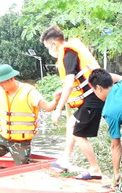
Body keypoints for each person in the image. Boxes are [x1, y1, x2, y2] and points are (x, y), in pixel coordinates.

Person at [40, 25, 104, 180]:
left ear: (54, 44)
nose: (50, 51)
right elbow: (76, 82)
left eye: (48, 47)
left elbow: (69, 84)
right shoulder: (70, 52)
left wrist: (57, 109)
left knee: (79, 133)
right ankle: (65, 160)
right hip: (91, 96)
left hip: (94, 97)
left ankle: (95, 169)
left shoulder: (68, 53)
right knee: (71, 123)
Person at [0, 64, 57, 172]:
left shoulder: (29, 92)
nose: (0, 85)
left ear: (11, 79)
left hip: (21, 141)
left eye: (2, 82)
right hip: (2, 137)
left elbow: (48, 107)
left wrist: (55, 100)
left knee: (21, 170)